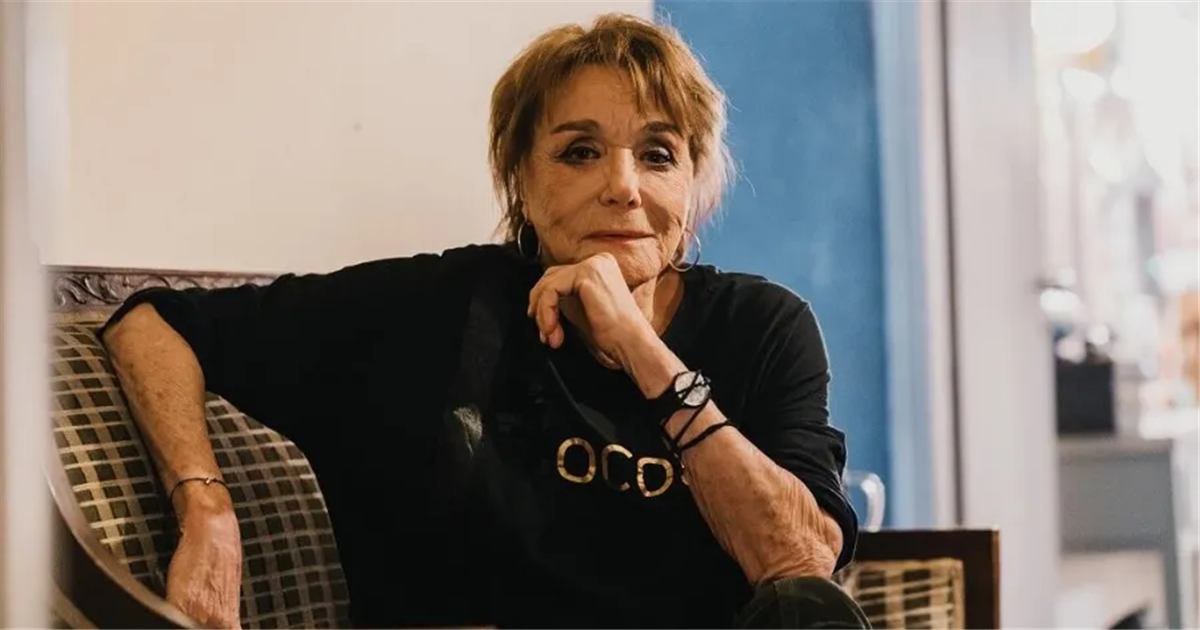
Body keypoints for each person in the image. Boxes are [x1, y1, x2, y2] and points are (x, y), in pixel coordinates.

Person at [101, 13, 869, 630]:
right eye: (580, 152)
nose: (623, 186)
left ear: (695, 186)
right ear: (522, 183)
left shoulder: (762, 327)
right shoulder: (438, 307)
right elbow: (155, 324)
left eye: (658, 154)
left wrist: (643, 351)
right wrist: (203, 504)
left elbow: (800, 569)